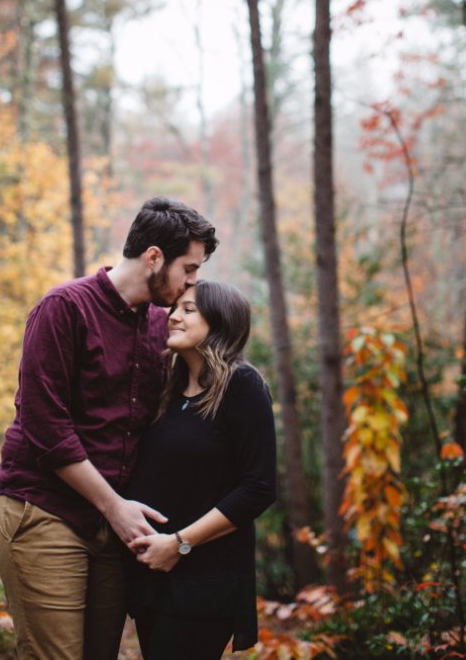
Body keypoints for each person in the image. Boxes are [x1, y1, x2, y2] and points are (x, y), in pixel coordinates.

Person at [0, 197, 218, 660]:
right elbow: (45, 426)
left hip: (113, 527)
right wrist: (115, 507)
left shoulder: (162, 325)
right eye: (188, 268)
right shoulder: (63, 308)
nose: (193, 281)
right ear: (154, 257)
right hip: (43, 511)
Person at [124, 279, 277, 660]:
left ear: (220, 322)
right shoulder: (168, 390)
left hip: (205, 580)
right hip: (153, 574)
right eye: (175, 308)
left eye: (188, 310)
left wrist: (179, 543)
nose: (173, 316)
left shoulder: (242, 385)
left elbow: (258, 487)